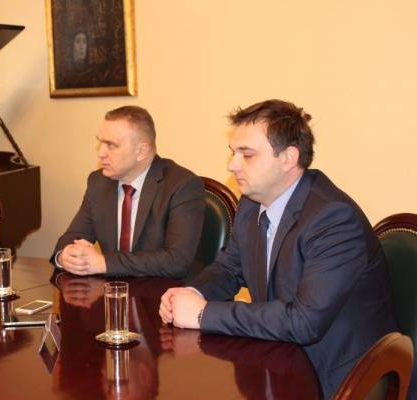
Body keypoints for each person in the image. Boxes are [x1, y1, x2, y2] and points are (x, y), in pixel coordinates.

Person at [158, 99, 396, 397]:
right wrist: (193, 293)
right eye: (233, 152)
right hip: (276, 357)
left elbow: (304, 322)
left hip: (339, 377)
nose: (232, 165)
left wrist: (203, 314)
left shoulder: (333, 218)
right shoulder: (251, 203)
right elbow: (229, 268)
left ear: (288, 158)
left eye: (247, 155)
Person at [51, 105, 205, 279]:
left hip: (166, 291)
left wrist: (104, 263)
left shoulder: (182, 186)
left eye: (111, 145)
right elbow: (73, 236)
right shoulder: (98, 182)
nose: (101, 153)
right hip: (112, 290)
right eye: (100, 142)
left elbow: (176, 261)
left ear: (141, 151)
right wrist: (65, 256)